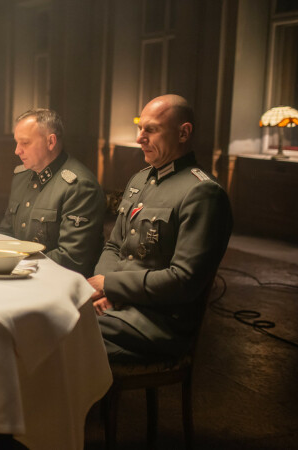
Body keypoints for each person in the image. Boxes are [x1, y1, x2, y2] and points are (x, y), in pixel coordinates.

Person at [87, 94, 233, 362]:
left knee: (65, 331)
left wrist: (111, 285)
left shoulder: (202, 193)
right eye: (140, 128)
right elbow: (114, 246)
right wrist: (105, 291)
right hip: (120, 307)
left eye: (151, 130)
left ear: (183, 133)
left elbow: (183, 280)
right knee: (53, 320)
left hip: (158, 323)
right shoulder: (140, 180)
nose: (139, 138)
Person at [0, 108, 105, 277]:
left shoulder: (79, 186)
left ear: (51, 142)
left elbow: (72, 258)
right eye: (17, 143)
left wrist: (17, 265)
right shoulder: (21, 177)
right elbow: (6, 233)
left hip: (56, 280)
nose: (17, 151)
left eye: (25, 143)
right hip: (20, 274)